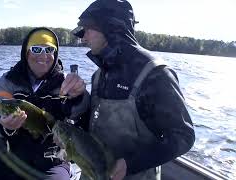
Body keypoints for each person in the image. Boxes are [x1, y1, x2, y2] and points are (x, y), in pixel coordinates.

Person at [72, 0, 195, 180]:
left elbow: (183, 136)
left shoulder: (156, 75)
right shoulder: (98, 75)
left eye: (87, 29)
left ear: (110, 27)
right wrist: (77, 100)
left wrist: (130, 163)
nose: (83, 38)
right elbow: (90, 127)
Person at [0, 27, 89, 180]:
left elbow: (79, 116)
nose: (44, 55)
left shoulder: (67, 82)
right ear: (26, 52)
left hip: (52, 161)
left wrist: (80, 96)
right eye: (36, 49)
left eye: (49, 50)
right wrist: (3, 125)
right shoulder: (8, 80)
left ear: (55, 53)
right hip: (8, 157)